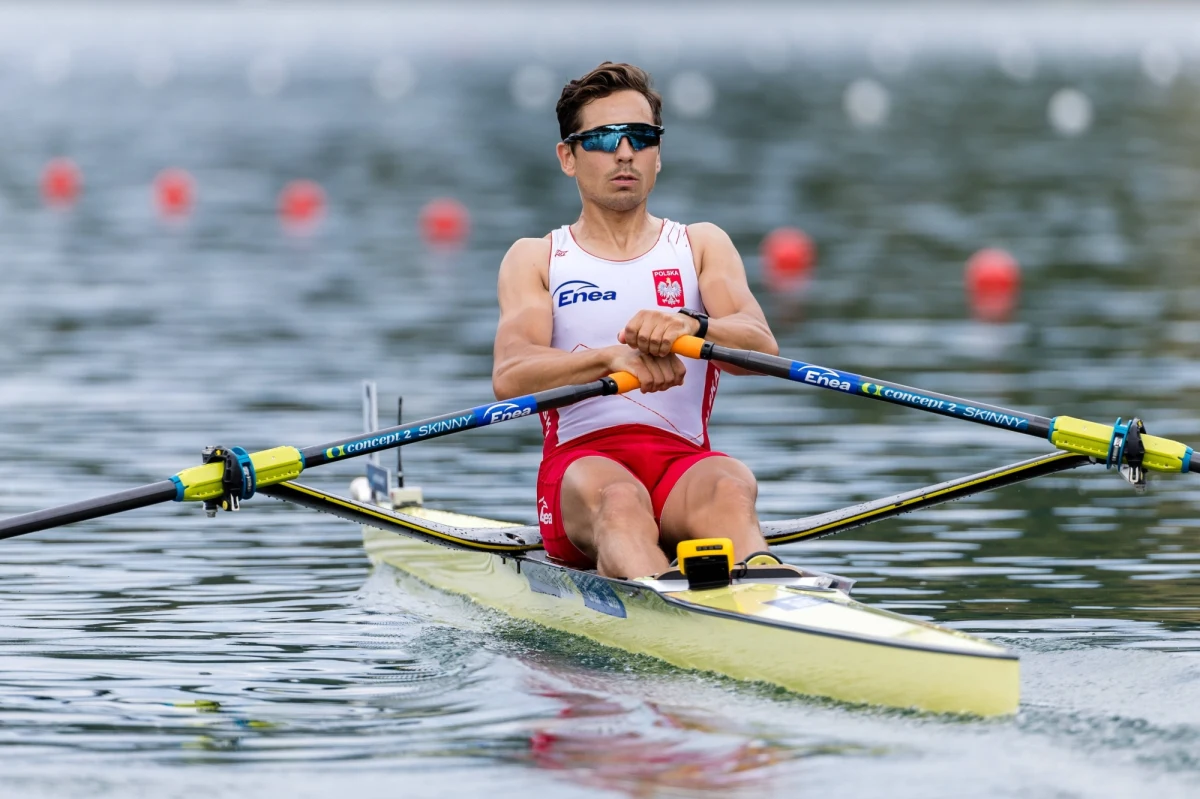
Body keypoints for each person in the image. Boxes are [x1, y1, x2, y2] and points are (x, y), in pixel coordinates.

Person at [492, 62, 779, 579]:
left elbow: (760, 347)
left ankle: (770, 594)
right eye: (603, 138)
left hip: (681, 468)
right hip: (582, 472)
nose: (625, 152)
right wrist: (608, 357)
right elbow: (510, 374)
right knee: (621, 500)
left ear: (658, 155)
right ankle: (666, 606)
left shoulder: (700, 245)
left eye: (641, 137)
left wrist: (696, 327)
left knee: (731, 484)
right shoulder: (537, 257)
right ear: (568, 157)